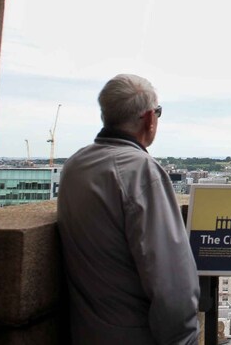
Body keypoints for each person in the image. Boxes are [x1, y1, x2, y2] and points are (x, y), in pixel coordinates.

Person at [57, 74, 200, 344]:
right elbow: (172, 286)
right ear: (149, 118)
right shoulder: (141, 171)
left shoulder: (74, 165)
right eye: (158, 112)